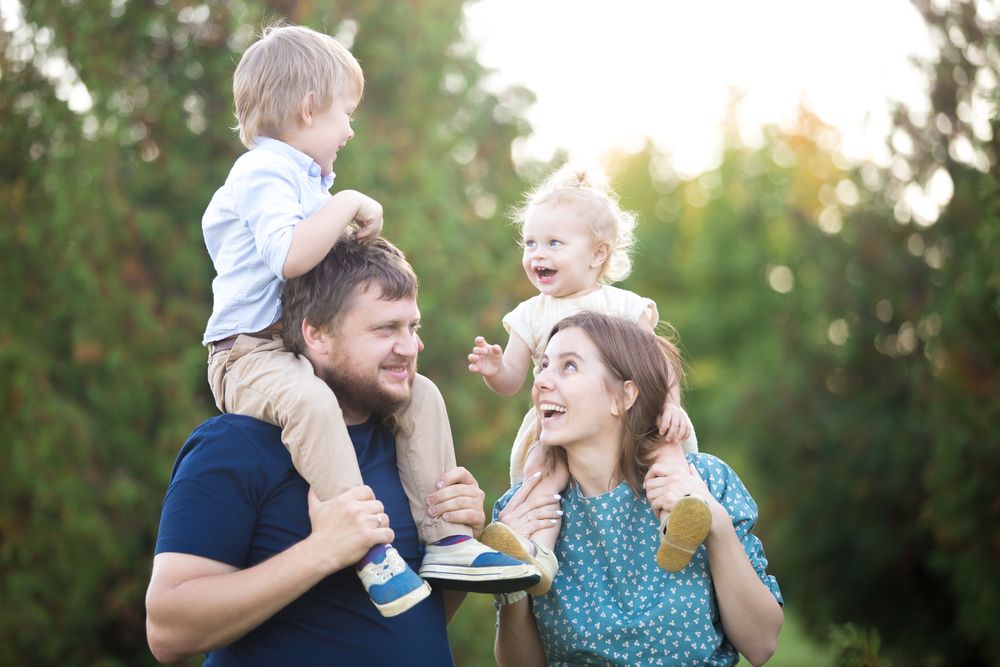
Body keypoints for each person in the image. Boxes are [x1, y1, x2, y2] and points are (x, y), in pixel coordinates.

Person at [199, 24, 529, 616]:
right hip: (245, 354)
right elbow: (290, 256)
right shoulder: (261, 174)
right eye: (344, 114)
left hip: (292, 348)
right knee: (312, 403)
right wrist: (347, 203)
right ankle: (370, 549)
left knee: (421, 395)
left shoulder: (302, 180)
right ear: (307, 109)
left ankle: (447, 538)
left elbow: (324, 276)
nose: (350, 129)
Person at [145, 236, 538, 665]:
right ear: (316, 333)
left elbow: (414, 619)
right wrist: (322, 552)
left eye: (413, 327)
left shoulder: (408, 448)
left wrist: (460, 541)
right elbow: (168, 630)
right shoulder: (234, 445)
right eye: (385, 329)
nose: (409, 347)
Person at [490, 312, 784, 666]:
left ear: (624, 396)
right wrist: (512, 585)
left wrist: (716, 525)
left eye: (568, 367)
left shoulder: (702, 482)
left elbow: (761, 644)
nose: (541, 383)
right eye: (543, 367)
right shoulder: (523, 511)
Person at [469, 164, 708, 592]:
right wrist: (494, 369)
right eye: (530, 243)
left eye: (554, 243)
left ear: (598, 253)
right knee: (540, 473)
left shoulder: (621, 305)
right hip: (558, 422)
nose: (537, 254)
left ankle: (680, 517)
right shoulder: (531, 313)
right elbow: (512, 381)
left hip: (633, 416)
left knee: (664, 446)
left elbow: (658, 361)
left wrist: (670, 403)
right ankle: (537, 554)